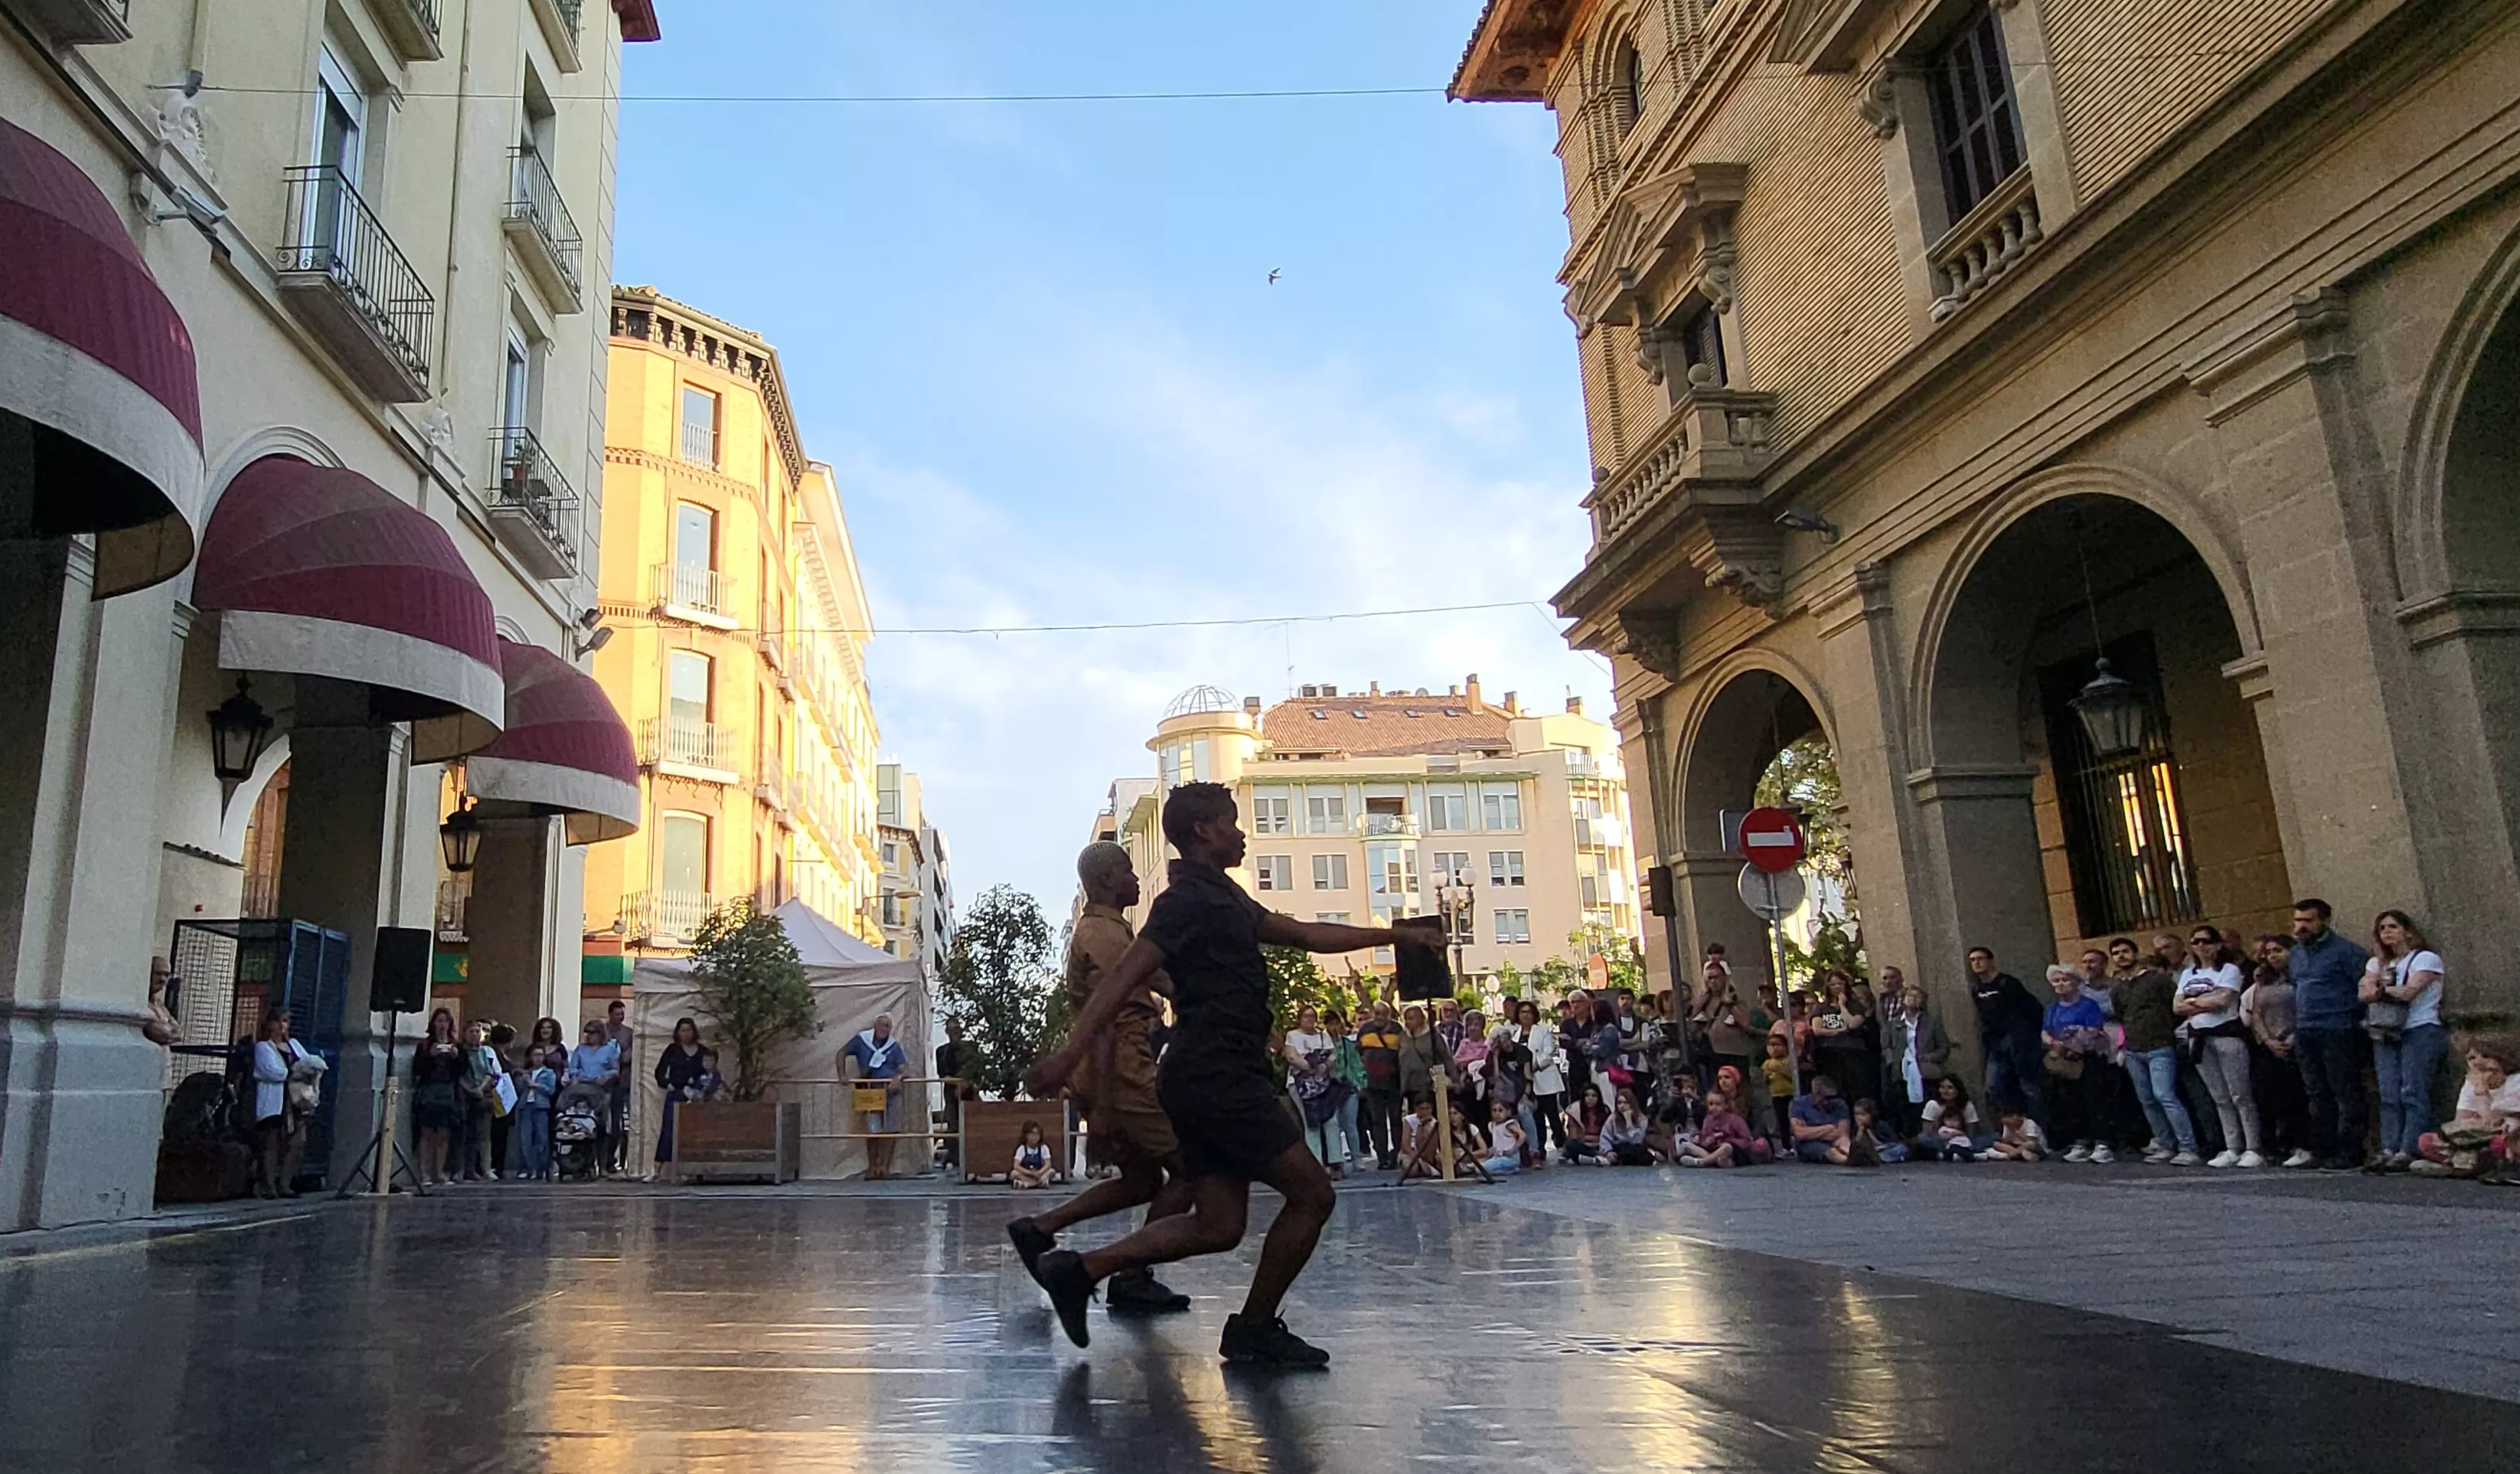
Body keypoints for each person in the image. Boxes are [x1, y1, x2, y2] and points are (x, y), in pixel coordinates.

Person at [1021, 780, 1442, 1366]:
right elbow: (1123, 981)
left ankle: (1081, 1268)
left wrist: (1395, 934)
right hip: (1218, 1076)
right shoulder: (1184, 902)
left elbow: (1301, 934)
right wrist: (1069, 1057)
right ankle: (1254, 1326)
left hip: (1208, 1074)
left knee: (1219, 1223)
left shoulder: (1225, 897)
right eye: (1231, 822)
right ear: (1203, 831)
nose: (1241, 832)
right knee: (1313, 1193)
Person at [1007, 842, 1196, 1315]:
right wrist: (1108, 1107)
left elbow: (1156, 980)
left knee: (1140, 1181)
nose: (1137, 880)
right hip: (1125, 1071)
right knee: (1193, 1169)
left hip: (1113, 1071)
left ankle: (1040, 1228)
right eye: (1130, 872)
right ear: (1109, 879)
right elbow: (1108, 1019)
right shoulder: (1107, 938)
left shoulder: (1109, 931)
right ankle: (1131, 1274)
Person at [2287, 898, 2373, 1170]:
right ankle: (2323, 1149)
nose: (2301, 927)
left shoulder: (2346, 951)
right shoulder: (2297, 954)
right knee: (2316, 1092)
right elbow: (2296, 984)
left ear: (2323, 921)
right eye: (2298, 921)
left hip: (2339, 1027)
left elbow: (2361, 986)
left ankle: (2350, 1152)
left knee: (2344, 1091)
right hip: (2306, 1028)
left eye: (2308, 921)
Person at [2365, 910, 2447, 1174]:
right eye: (2382, 928)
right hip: (2386, 1031)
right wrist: (2379, 965)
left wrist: (2381, 990)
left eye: (2393, 927)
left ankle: (2409, 1148)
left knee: (2412, 1090)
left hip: (2419, 1028)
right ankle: (2388, 1147)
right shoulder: (2377, 964)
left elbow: (2410, 991)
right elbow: (2363, 992)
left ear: (2408, 931)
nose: (2387, 932)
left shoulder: (2425, 959)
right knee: (2389, 1092)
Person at [2176, 926, 2264, 1168]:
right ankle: (2232, 1146)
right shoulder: (2188, 974)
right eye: (2195, 942)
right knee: (2219, 1096)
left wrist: (2193, 1003)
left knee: (2240, 1094)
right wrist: (2203, 1003)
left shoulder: (2229, 970)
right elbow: (2177, 1006)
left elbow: (2223, 1000)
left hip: (2226, 1034)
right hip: (2199, 1037)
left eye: (2206, 941)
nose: (2201, 947)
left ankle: (2253, 1146)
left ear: (2217, 945)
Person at [2107, 936, 2200, 1165]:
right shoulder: (2117, 988)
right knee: (2147, 1100)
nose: (2121, 956)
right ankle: (2166, 1144)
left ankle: (2188, 1147)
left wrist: (2164, 1028)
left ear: (2136, 953)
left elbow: (2176, 1006)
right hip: (2132, 1049)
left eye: (2125, 951)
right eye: (2116, 953)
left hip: (2160, 1045)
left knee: (2165, 1096)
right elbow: (2121, 1015)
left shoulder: (2157, 980)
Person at [2245, 935, 2310, 1168]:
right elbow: (2257, 1014)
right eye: (2270, 951)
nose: (2273, 956)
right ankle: (2274, 1146)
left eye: (2279, 950)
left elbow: (2304, 1008)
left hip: (2296, 1039)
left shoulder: (2301, 977)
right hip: (2269, 1044)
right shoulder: (2264, 981)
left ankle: (2303, 1145)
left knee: (2298, 1097)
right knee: (2270, 1097)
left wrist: (2293, 1037)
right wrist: (2268, 1040)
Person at [2414, 1040, 2520, 1178]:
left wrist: (2482, 1093)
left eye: (2486, 1057)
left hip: (2504, 1137)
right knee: (2426, 1141)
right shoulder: (2470, 1084)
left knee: (2499, 1144)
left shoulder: (2515, 1082)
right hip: (2476, 1138)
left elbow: (2492, 1122)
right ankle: (2468, 1166)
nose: (2478, 1062)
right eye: (2472, 1058)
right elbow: (2462, 1123)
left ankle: (2462, 1167)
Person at [1965, 947, 2046, 1128]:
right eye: (1972, 960)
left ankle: (2040, 1130)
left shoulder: (2007, 983)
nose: (1976, 963)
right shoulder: (1977, 989)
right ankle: (2012, 1128)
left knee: (2029, 1086)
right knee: (1993, 1086)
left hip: (2018, 1040)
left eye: (1980, 958)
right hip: (1996, 1043)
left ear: (1991, 961)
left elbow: (2033, 1008)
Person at [2041, 964, 2113, 1163]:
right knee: (2072, 1102)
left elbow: (2094, 1030)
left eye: (2065, 980)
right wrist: (2052, 1042)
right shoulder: (2052, 1008)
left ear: (2076, 983)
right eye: (2056, 981)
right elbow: (2046, 1031)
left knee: (2094, 1100)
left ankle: (2103, 1143)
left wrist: (2073, 1043)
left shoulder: (2088, 1005)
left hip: (2088, 1058)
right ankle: (2081, 1141)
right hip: (2065, 1060)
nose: (2060, 985)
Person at [249, 1007, 312, 1197]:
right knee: (272, 1143)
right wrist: (294, 1072)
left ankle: (285, 1183)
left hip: (295, 1101)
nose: (282, 1026)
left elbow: (308, 1064)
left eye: (286, 1021)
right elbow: (272, 1072)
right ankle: (269, 1185)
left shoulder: (294, 1045)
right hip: (275, 1102)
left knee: (297, 1142)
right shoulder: (263, 1047)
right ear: (270, 1024)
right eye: (279, 1021)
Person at [1878, 976, 1950, 1139]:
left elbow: (1944, 1047)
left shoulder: (1932, 1022)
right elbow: (1886, 1046)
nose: (1914, 1000)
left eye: (1918, 997)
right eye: (1910, 996)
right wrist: (1893, 1061)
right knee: (1903, 1105)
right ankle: (1907, 1137)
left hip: (1924, 1069)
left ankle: (1927, 1136)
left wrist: (1930, 1057)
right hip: (1902, 1069)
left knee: (1926, 1104)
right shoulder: (1894, 1023)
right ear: (1903, 1000)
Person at [842, 1014, 908, 1181]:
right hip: (871, 1090)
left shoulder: (894, 1046)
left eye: (887, 1026)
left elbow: (904, 1068)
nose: (883, 1029)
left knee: (891, 1130)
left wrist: (898, 1078)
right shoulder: (862, 1040)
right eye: (881, 1025)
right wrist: (842, 1075)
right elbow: (841, 1053)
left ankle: (884, 1168)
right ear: (875, 1026)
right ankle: (873, 1167)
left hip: (891, 1091)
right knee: (873, 1130)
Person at [410, 1009, 471, 1188]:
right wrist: (431, 1056)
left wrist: (456, 1057)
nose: (442, 1025)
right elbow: (418, 1069)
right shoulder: (425, 1045)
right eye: (439, 1021)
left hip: (448, 1091)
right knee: (427, 1132)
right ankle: (424, 1172)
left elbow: (462, 1070)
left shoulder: (456, 1045)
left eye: (446, 1021)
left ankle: (439, 1171)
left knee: (444, 1133)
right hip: (429, 1090)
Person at [1809, 974, 1879, 1110]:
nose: (1837, 987)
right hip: (1830, 1053)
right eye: (1833, 984)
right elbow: (1817, 1029)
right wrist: (1839, 1031)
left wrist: (1842, 1006)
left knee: (1855, 1090)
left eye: (1840, 984)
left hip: (1853, 1052)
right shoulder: (1821, 1007)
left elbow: (1853, 1024)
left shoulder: (1856, 1006)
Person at [564, 1018, 622, 1174]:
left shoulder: (610, 1048)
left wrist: (606, 1077)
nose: (589, 1036)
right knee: (581, 1125)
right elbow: (573, 1068)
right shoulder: (580, 1049)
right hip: (582, 1089)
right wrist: (575, 1078)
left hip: (601, 1089)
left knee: (601, 1127)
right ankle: (583, 1164)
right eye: (587, 1032)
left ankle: (603, 1165)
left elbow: (615, 1069)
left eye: (592, 1033)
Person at [653, 1017, 708, 1178]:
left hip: (695, 1096)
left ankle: (688, 1170)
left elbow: (708, 1073)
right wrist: (667, 1084)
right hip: (676, 1094)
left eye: (689, 1030)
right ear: (678, 1032)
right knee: (669, 1130)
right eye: (683, 1030)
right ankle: (657, 1169)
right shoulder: (673, 1050)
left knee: (692, 1132)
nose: (686, 1034)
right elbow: (660, 1072)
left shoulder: (702, 1051)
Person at [1356, 1000, 1405, 1171]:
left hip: (1394, 1083)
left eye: (1383, 1014)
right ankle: (1382, 1157)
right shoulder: (1365, 1030)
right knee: (1377, 1122)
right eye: (1376, 1013)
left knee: (1396, 1120)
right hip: (1372, 1084)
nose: (1379, 1017)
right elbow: (1359, 1053)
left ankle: (1397, 1154)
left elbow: (1403, 1054)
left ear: (1389, 1015)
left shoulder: (1397, 1030)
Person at [1676, 1087, 1767, 1167]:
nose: (1714, 1107)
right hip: (1713, 1149)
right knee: (1686, 1145)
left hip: (1731, 1151)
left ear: (1726, 1105)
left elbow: (1746, 1140)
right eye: (1711, 1104)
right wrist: (1708, 1140)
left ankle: (1703, 1162)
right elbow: (1703, 1137)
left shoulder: (1735, 1119)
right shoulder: (1708, 1120)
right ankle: (1711, 1160)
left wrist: (1729, 1140)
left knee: (1726, 1149)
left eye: (1718, 1104)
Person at [1520, 999, 1565, 1158]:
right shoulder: (1514, 1032)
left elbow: (1548, 1053)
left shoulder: (1543, 1030)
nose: (1525, 1016)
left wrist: (1532, 1067)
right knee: (1536, 1115)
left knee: (1552, 1113)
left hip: (1542, 1076)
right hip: (1525, 1081)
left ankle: (1561, 1143)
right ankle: (1539, 1148)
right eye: (1522, 1012)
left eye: (1528, 1012)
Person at [1326, 1009, 1368, 1172]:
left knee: (1350, 1123)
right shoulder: (1323, 1045)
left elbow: (1357, 1065)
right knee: (1333, 1124)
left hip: (1348, 1087)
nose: (1334, 1028)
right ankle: (1336, 1160)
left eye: (1337, 1024)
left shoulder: (1348, 1044)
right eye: (1330, 1024)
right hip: (1330, 1089)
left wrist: (1359, 1085)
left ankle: (1357, 1157)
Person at [1786, 1074, 1854, 1165]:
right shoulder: (1799, 1104)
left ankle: (1853, 1157)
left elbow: (1843, 1133)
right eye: (1827, 1097)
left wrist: (1811, 1131)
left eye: (1833, 1097)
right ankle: (1848, 1161)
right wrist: (1829, 1128)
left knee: (1845, 1142)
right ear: (1816, 1094)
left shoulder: (1839, 1104)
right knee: (1830, 1152)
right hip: (1807, 1143)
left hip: (1833, 1140)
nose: (1830, 1101)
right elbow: (1800, 1133)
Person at [1397, 1004, 1453, 1114]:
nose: (1408, 1022)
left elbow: (1446, 1057)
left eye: (1411, 1018)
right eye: (1406, 1019)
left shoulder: (1433, 1036)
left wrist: (1454, 1078)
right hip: (1409, 1086)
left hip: (1428, 1085)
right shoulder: (1402, 1037)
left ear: (1422, 1019)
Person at [1919, 1075, 1986, 1161]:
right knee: (1922, 1140)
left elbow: (1971, 1132)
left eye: (1950, 1088)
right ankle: (1959, 1154)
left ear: (1958, 1091)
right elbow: (1927, 1132)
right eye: (1942, 1088)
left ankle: (1954, 1153)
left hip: (1962, 1140)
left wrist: (1959, 1136)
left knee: (1991, 1137)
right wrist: (1944, 1136)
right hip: (1940, 1141)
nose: (1945, 1091)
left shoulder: (1967, 1105)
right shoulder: (1933, 1105)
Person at [516, 1044, 557, 1181]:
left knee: (542, 1138)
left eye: (540, 1055)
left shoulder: (549, 1073)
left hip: (541, 1106)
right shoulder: (526, 1072)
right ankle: (527, 1168)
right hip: (525, 1106)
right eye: (535, 1055)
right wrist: (521, 1081)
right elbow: (519, 1089)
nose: (538, 1058)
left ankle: (541, 1168)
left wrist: (536, 1085)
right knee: (525, 1138)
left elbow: (551, 1090)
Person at [602, 998, 635, 1175]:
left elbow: (629, 1056)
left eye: (622, 1014)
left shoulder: (629, 1033)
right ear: (610, 1014)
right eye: (616, 1014)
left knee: (621, 1123)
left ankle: (620, 1161)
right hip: (604, 1083)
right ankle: (605, 1160)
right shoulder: (602, 1032)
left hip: (623, 1082)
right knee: (607, 1123)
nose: (620, 1017)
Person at [935, 1017, 970, 1170]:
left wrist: (965, 1084)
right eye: (951, 1030)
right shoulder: (942, 1051)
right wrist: (957, 1083)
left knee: (970, 1124)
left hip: (970, 1092)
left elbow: (977, 1070)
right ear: (947, 1032)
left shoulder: (971, 1049)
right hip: (950, 1093)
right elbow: (942, 1075)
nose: (954, 1033)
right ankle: (954, 1158)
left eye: (957, 1029)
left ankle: (970, 1157)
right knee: (953, 1125)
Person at [1977, 1097, 2049, 1162]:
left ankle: (2014, 1154)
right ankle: (2019, 1154)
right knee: (1996, 1144)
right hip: (2017, 1146)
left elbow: (2030, 1140)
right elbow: (2005, 1141)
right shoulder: (2007, 1126)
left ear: (2015, 1117)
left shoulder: (2030, 1123)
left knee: (2030, 1144)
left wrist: (2016, 1131)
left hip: (2034, 1146)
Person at [1601, 1088, 1656, 1165]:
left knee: (1643, 1156)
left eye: (1625, 1103)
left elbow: (1637, 1140)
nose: (1622, 1106)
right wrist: (1608, 1152)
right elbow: (1605, 1137)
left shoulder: (1642, 1119)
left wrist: (1629, 1122)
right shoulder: (1612, 1119)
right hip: (1619, 1147)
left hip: (1635, 1147)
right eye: (1619, 1103)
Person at [1761, 1033, 1795, 1141]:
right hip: (1776, 1095)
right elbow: (1764, 1082)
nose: (1774, 1048)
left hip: (1791, 1094)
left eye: (1777, 1045)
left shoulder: (1790, 1060)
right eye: (1771, 1045)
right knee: (1782, 1121)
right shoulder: (1767, 1063)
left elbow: (1793, 1077)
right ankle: (1786, 1146)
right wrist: (1766, 1075)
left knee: (1793, 1120)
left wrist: (1780, 1069)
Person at [1480, 1099, 1526, 1176]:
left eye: (1500, 1111)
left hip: (1510, 1158)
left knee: (1483, 1169)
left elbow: (1523, 1135)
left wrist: (1513, 1149)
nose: (1497, 1113)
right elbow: (1499, 1141)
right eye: (1494, 1111)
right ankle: (1506, 1170)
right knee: (1479, 1168)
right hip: (1498, 1157)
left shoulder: (1509, 1125)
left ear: (1508, 1112)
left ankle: (1511, 1170)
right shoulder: (1492, 1125)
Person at [1852, 1099, 1905, 1164]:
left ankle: (1879, 1158)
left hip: (1884, 1149)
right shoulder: (1856, 1127)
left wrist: (1868, 1131)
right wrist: (1860, 1130)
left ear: (1871, 1115)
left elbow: (1890, 1143)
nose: (1859, 1117)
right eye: (1856, 1114)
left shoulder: (1882, 1125)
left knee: (1901, 1148)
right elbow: (1856, 1144)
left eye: (1863, 1115)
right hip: (1869, 1151)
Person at [1010, 1120, 1059, 1189]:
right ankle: (1040, 1183)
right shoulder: (1022, 1149)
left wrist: (1039, 1173)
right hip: (1027, 1174)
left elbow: (1048, 1164)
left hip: (1039, 1174)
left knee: (1052, 1171)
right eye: (1032, 1134)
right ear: (1026, 1135)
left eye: (1037, 1134)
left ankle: (1027, 1184)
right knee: (1014, 1173)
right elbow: (1016, 1166)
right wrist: (1030, 1173)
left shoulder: (1043, 1148)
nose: (1035, 1137)